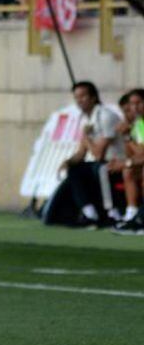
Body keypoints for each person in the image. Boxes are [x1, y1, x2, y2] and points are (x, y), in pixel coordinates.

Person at [61, 81, 122, 226]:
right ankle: (89, 213)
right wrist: (68, 162)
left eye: (83, 96)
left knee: (99, 168)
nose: (79, 101)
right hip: (102, 163)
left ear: (93, 97)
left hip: (115, 162)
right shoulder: (86, 119)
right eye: (76, 97)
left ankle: (113, 213)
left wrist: (87, 137)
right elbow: (81, 153)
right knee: (75, 169)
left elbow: (99, 155)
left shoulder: (106, 116)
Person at [112, 88, 144, 234]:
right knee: (128, 171)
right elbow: (132, 154)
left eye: (139, 103)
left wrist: (128, 138)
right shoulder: (138, 124)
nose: (135, 107)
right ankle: (131, 212)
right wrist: (126, 137)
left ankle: (139, 219)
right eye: (132, 104)